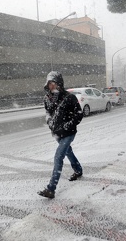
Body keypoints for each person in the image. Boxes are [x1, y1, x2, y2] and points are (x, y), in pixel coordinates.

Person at [37, 71, 83, 199]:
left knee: (58, 157)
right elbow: (47, 113)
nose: (52, 86)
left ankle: (51, 189)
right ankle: (78, 170)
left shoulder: (69, 97)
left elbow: (79, 114)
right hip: (56, 134)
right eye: (50, 84)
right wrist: (49, 122)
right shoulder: (47, 98)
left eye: (54, 83)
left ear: (60, 83)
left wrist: (68, 125)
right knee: (68, 152)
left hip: (68, 133)